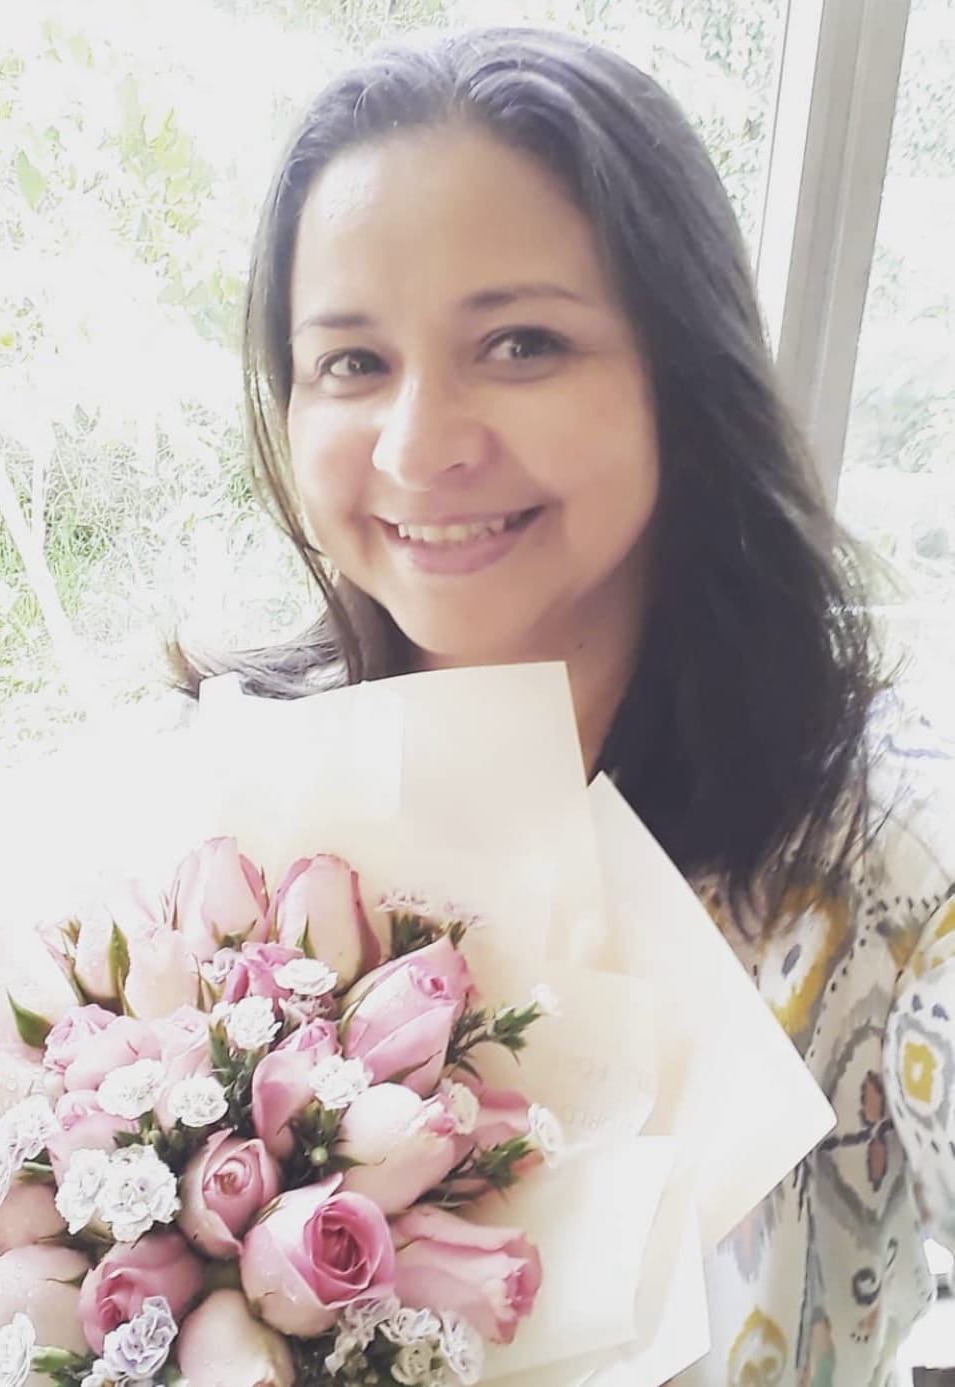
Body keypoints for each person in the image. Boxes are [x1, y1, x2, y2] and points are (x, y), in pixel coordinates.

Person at [171, 25, 955, 1387]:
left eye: (520, 342)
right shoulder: (221, 806)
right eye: (350, 363)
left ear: (680, 370)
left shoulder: (888, 860)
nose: (420, 446)